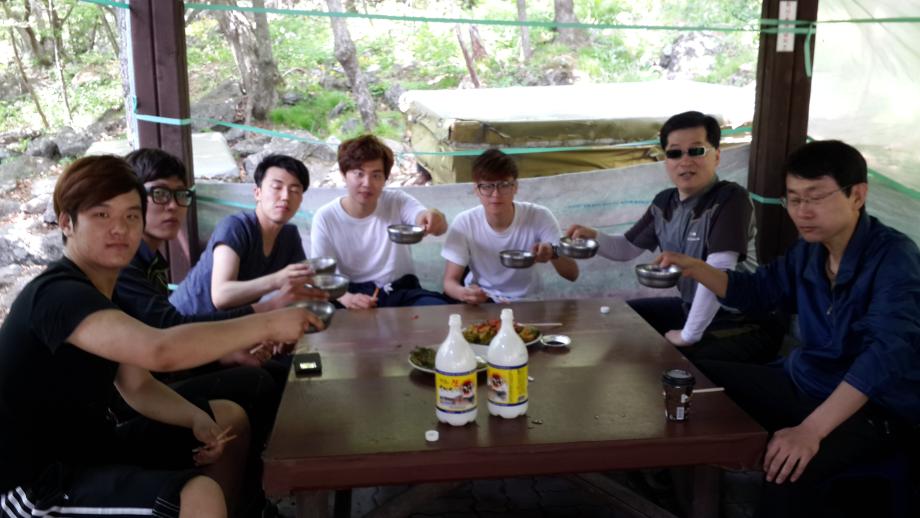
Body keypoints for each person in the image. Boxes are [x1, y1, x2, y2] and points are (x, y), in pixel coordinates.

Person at [0, 155, 321, 518]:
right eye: (101, 215)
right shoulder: (58, 293)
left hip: (91, 448)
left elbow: (137, 384)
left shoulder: (104, 292)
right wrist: (268, 323)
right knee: (196, 495)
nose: (119, 228)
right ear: (66, 223)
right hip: (33, 482)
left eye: (131, 216)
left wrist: (195, 419)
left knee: (226, 419)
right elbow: (161, 350)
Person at [658, 140, 920, 517]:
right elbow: (758, 291)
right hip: (807, 382)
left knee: (787, 469)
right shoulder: (809, 251)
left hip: (874, 410)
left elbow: (885, 355)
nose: (802, 211)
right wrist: (697, 268)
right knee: (689, 381)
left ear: (857, 195)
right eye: (793, 199)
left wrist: (810, 430)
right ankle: (678, 495)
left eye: (815, 197)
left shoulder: (894, 258)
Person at [566, 110, 782, 363]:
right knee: (624, 317)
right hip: (691, 308)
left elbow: (718, 271)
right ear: (666, 160)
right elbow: (625, 249)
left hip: (744, 320)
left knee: (680, 364)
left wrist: (688, 335)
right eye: (675, 153)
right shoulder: (664, 203)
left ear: (717, 156)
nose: (685, 161)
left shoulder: (731, 199)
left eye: (696, 151)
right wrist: (593, 236)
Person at [311, 134, 451, 308]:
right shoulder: (326, 217)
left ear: (385, 179)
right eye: (359, 174)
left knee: (438, 309)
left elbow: (427, 219)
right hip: (349, 293)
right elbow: (322, 276)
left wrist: (435, 218)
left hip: (399, 290)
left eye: (376, 175)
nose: (367, 183)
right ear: (343, 174)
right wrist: (347, 298)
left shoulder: (397, 201)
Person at [170, 154, 319, 315]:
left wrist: (331, 290)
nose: (285, 196)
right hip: (184, 320)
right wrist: (277, 280)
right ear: (257, 193)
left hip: (230, 323)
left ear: (301, 199)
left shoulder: (289, 236)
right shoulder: (236, 227)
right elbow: (221, 295)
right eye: (277, 187)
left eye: (294, 190)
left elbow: (302, 281)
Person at [441, 149, 578, 303]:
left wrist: (554, 253)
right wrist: (464, 294)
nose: (496, 194)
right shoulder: (465, 222)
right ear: (476, 190)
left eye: (504, 185)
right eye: (487, 186)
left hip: (528, 302)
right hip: (483, 301)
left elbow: (572, 274)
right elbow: (449, 282)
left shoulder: (539, 216)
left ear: (515, 187)